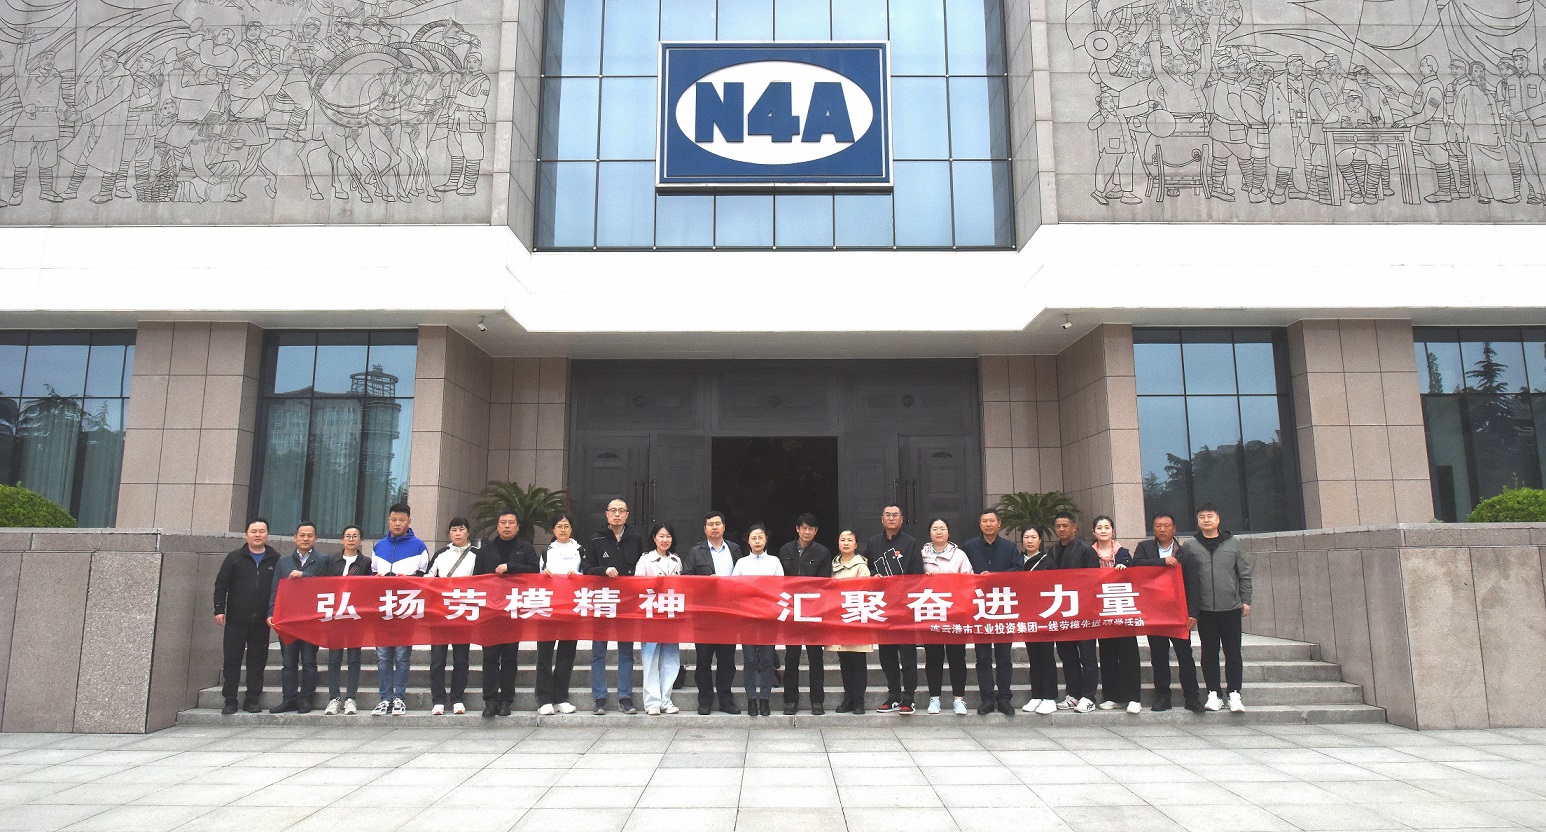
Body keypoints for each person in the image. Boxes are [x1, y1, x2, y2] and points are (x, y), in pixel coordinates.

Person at [1180, 503, 1252, 713]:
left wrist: (1246, 599)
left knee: (1233, 653)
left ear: (1218, 519)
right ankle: (1213, 693)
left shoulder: (1233, 543)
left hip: (1230, 607)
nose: (1206, 520)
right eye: (1202, 517)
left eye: (1210, 516)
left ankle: (1234, 693)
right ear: (1197, 521)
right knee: (1209, 653)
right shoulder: (1190, 546)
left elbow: (1244, 573)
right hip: (1204, 610)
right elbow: (1182, 577)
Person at [1130, 513, 1204, 713]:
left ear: (1174, 529)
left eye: (1166, 525)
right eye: (1158, 526)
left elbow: (1193, 584)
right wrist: (1161, 562)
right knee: (1158, 656)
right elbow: (1136, 565)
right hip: (1155, 612)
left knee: (1185, 655)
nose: (1162, 529)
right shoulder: (1144, 548)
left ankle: (1192, 697)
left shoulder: (1185, 553)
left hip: (1179, 613)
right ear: (1153, 528)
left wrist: (1193, 613)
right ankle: (1163, 697)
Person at [475, 509, 539, 717]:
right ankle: (490, 700)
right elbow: (476, 579)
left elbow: (534, 571)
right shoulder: (486, 550)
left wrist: (511, 567)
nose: (507, 526)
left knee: (510, 658)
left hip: (514, 611)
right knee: (490, 658)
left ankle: (506, 700)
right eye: (503, 522)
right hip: (490, 612)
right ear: (497, 525)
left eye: (511, 522)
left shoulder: (525, 548)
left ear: (517, 527)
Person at [213, 517, 280, 715]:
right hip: (236, 619)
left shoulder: (275, 559)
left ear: (267, 534)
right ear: (246, 535)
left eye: (262, 531)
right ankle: (230, 699)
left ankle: (252, 699)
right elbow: (221, 584)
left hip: (262, 621)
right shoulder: (234, 558)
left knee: (257, 662)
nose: (258, 535)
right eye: (254, 531)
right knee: (232, 659)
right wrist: (219, 609)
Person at [584, 499, 643, 715]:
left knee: (626, 652)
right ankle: (600, 698)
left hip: (627, 603)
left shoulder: (636, 539)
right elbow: (586, 568)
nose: (617, 514)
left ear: (627, 515)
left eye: (621, 511)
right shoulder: (596, 539)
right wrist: (603, 570)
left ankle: (625, 697)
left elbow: (641, 568)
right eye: (613, 511)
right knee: (599, 652)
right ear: (607, 514)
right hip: (603, 600)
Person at [371, 503, 430, 716]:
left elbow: (426, 578)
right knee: (383, 656)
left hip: (406, 608)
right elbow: (372, 574)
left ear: (409, 522)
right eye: (394, 520)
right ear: (388, 521)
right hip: (383, 609)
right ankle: (385, 698)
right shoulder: (379, 546)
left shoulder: (419, 547)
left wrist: (409, 579)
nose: (397, 524)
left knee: (402, 655)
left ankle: (399, 697)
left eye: (402, 520)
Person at [683, 510, 743, 714]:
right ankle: (705, 701)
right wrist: (705, 583)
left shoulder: (734, 549)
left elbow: (743, 578)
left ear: (724, 527)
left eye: (718, 524)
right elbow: (686, 578)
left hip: (728, 613)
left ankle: (726, 700)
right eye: (710, 524)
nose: (714, 527)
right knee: (703, 661)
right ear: (705, 529)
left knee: (727, 661)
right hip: (704, 614)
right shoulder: (696, 551)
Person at [864, 504, 921, 714]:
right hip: (882, 608)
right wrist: (873, 575)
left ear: (901, 519)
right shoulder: (873, 543)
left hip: (904, 608)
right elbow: (865, 567)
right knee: (886, 656)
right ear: (882, 519)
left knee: (907, 656)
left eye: (895, 515)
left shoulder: (910, 543)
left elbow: (917, 574)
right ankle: (894, 696)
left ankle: (909, 698)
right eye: (887, 515)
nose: (891, 518)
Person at [964, 508, 1022, 715]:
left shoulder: (1009, 547)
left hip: (1003, 607)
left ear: (999, 524)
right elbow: (962, 573)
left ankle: (1004, 698)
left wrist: (996, 576)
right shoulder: (969, 546)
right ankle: (987, 699)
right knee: (982, 657)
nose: (988, 525)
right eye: (984, 521)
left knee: (1004, 656)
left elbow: (1018, 570)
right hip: (979, 607)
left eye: (991, 521)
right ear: (980, 524)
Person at [266, 520, 327, 713]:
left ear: (315, 538)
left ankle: (306, 698)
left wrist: (304, 576)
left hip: (311, 619)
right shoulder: (283, 561)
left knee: (309, 660)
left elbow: (327, 585)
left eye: (310, 535)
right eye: (302, 535)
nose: (305, 538)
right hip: (288, 619)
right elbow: (275, 589)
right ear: (295, 538)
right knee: (288, 661)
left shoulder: (322, 560)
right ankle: (288, 698)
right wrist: (271, 612)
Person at [777, 513, 832, 715]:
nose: (807, 532)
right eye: (804, 528)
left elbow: (824, 583)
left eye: (811, 529)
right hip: (791, 611)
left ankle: (817, 701)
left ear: (816, 531)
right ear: (797, 529)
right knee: (791, 658)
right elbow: (779, 580)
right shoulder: (785, 550)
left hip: (813, 612)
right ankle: (790, 701)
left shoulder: (823, 552)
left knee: (816, 658)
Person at [425, 517, 478, 716]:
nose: (457, 533)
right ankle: (438, 699)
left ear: (468, 532)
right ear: (449, 533)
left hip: (463, 613)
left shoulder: (476, 555)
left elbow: (483, 581)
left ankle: (457, 698)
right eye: (454, 530)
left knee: (461, 659)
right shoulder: (441, 554)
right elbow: (427, 579)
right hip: (440, 613)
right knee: (437, 659)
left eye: (461, 529)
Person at [1048, 511, 1099, 713]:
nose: (1061, 529)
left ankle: (1089, 696)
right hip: (1061, 612)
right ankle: (1073, 694)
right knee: (1067, 655)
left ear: (1074, 527)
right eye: (1058, 526)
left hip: (1083, 612)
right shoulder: (1052, 551)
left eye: (1065, 526)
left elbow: (1093, 581)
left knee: (1087, 657)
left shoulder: (1086, 551)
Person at [920, 518, 972, 716]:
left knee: (957, 657)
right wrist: (924, 579)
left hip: (954, 613)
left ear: (949, 532)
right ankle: (934, 699)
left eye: (942, 528)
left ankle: (959, 699)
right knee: (933, 658)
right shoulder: (922, 554)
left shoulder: (959, 555)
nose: (939, 532)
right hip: (931, 612)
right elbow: (913, 580)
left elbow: (969, 580)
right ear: (929, 532)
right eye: (935, 528)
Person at [1090, 515, 1141, 714]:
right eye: (1099, 527)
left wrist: (1124, 569)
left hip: (1122, 608)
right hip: (1100, 610)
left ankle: (1133, 697)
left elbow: (1134, 576)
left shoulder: (1123, 553)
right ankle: (1112, 696)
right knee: (1107, 653)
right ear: (1094, 531)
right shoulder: (1088, 553)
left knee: (1128, 653)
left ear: (1113, 530)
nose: (1103, 531)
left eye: (1107, 527)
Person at [732, 524, 783, 717]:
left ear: (766, 539)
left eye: (760, 537)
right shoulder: (742, 563)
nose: (757, 541)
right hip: (747, 618)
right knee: (750, 660)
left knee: (768, 660)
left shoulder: (774, 561)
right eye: (753, 537)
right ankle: (751, 699)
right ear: (748, 540)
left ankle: (765, 700)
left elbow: (781, 587)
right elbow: (734, 587)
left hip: (768, 618)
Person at [536, 512, 583, 715]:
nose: (563, 530)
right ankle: (544, 699)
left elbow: (588, 575)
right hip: (548, 608)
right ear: (553, 530)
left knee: (567, 654)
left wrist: (578, 576)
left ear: (571, 529)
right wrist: (543, 576)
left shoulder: (580, 550)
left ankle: (561, 697)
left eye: (566, 526)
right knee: (544, 654)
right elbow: (535, 578)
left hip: (571, 608)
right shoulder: (546, 552)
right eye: (559, 526)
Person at [635, 522, 684, 716]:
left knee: (671, 660)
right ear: (654, 538)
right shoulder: (646, 560)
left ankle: (666, 700)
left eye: (668, 536)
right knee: (651, 659)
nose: (665, 540)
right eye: (661, 536)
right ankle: (652, 703)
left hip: (671, 614)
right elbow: (637, 586)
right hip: (651, 615)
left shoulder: (676, 560)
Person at [321, 524, 371, 715]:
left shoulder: (365, 562)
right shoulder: (331, 560)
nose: (351, 539)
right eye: (348, 536)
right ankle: (334, 698)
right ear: (342, 539)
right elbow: (321, 583)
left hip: (355, 616)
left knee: (354, 658)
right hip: (334, 615)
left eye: (355, 536)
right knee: (334, 658)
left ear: (360, 540)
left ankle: (351, 698)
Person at [830, 530, 872, 714]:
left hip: (856, 618)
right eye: (842, 540)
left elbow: (864, 590)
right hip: (838, 619)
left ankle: (859, 701)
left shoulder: (861, 566)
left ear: (856, 544)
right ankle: (848, 698)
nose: (846, 543)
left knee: (858, 660)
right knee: (844, 660)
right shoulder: (833, 566)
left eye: (849, 540)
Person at [1020, 527, 1060, 715]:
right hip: (1026, 614)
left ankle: (1050, 697)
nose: (1029, 541)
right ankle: (1036, 695)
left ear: (1040, 540)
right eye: (1026, 537)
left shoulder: (1047, 561)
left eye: (1033, 537)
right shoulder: (1018, 561)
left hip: (1045, 614)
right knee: (1033, 656)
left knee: (1046, 656)